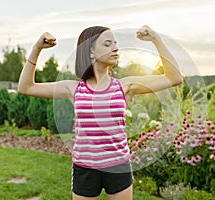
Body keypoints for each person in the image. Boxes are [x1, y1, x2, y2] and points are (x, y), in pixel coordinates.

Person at [18, 25, 182, 200]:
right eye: (107, 44)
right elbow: (26, 87)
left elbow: (174, 78)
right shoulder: (74, 89)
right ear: (91, 52)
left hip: (118, 167)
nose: (115, 48)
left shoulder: (125, 86)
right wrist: (36, 48)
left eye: (115, 43)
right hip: (85, 169)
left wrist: (156, 39)